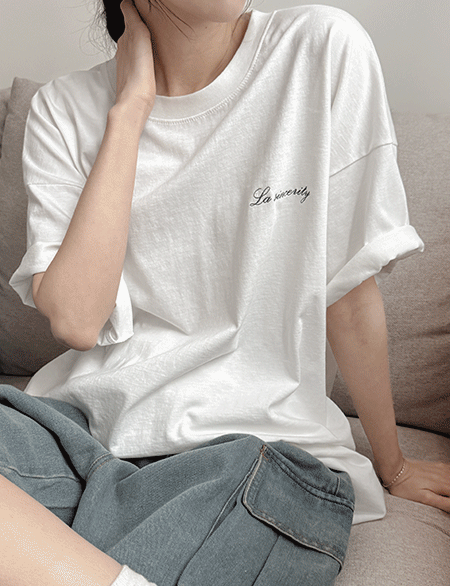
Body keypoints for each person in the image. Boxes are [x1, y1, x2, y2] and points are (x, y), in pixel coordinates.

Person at [2, 1, 449, 585]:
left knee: (253, 492)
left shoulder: (319, 47)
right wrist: (130, 112)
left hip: (253, 450)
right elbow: (78, 319)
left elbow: (349, 290)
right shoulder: (62, 108)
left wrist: (393, 466)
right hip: (79, 439)